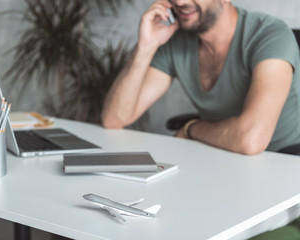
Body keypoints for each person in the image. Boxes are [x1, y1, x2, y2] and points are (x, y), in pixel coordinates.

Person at [101, 0, 300, 156]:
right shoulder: (174, 41)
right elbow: (114, 118)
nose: (179, 2)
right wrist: (146, 46)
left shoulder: (270, 35)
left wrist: (191, 129)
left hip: (283, 160)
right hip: (219, 154)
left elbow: (250, 139)